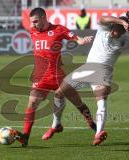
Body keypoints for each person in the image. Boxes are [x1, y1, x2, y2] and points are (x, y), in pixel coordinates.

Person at [44, 11, 129, 145]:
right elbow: (103, 18)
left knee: (101, 100)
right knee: (59, 93)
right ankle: (56, 125)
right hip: (87, 68)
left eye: (117, 30)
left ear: (123, 31)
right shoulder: (103, 29)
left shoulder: (125, 39)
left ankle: (98, 134)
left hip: (103, 71)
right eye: (113, 27)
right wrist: (122, 22)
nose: (113, 31)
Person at [13, 7, 95, 147]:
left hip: (58, 76)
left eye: (36, 21)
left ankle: (93, 125)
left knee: (77, 102)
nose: (33, 25)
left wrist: (81, 40)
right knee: (32, 103)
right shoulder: (33, 31)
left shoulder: (59, 29)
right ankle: (25, 137)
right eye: (31, 22)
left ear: (44, 17)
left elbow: (76, 38)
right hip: (40, 77)